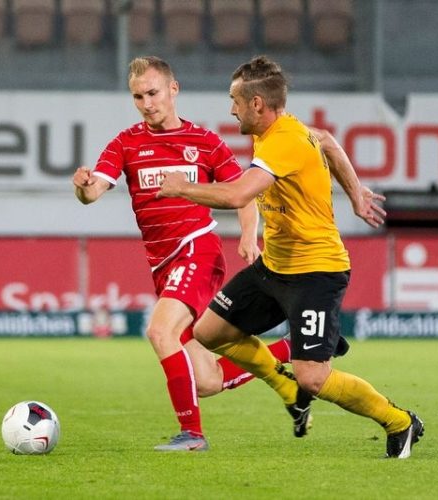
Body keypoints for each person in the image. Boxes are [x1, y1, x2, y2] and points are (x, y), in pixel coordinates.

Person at [158, 55, 424, 458]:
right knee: (210, 334)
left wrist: (182, 188)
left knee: (314, 379)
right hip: (274, 267)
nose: (231, 108)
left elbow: (236, 194)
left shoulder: (282, 140)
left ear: (257, 104)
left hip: (315, 273)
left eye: (235, 100)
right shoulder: (284, 130)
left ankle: (399, 421)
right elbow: (329, 142)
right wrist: (356, 195)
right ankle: (286, 384)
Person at [72, 56, 293, 452]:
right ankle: (292, 348)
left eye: (153, 93)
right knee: (205, 380)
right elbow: (92, 194)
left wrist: (248, 235)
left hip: (197, 250)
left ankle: (192, 435)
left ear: (173, 90)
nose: (146, 103)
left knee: (160, 331)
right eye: (138, 96)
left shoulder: (204, 142)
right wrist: (82, 186)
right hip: (162, 265)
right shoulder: (125, 143)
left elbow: (244, 191)